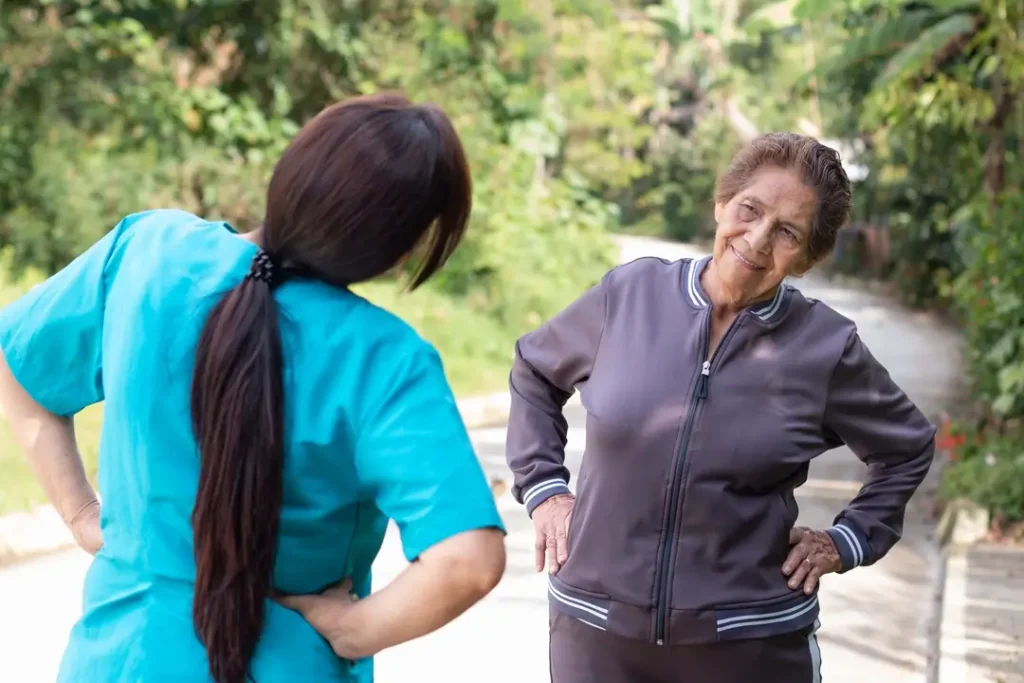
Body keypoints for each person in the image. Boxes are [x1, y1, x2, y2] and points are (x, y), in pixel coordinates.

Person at [0, 93, 507, 683]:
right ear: (402, 249)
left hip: (119, 659)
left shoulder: (148, 254)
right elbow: (467, 560)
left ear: (293, 171)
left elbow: (18, 361)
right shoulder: (383, 358)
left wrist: (82, 512)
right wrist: (352, 629)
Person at [505, 132, 936, 682]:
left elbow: (906, 447)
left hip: (749, 646)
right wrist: (545, 490)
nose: (756, 239)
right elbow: (535, 371)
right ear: (721, 204)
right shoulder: (630, 295)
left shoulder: (826, 347)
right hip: (596, 634)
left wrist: (846, 540)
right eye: (748, 210)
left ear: (807, 257)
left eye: (787, 232)